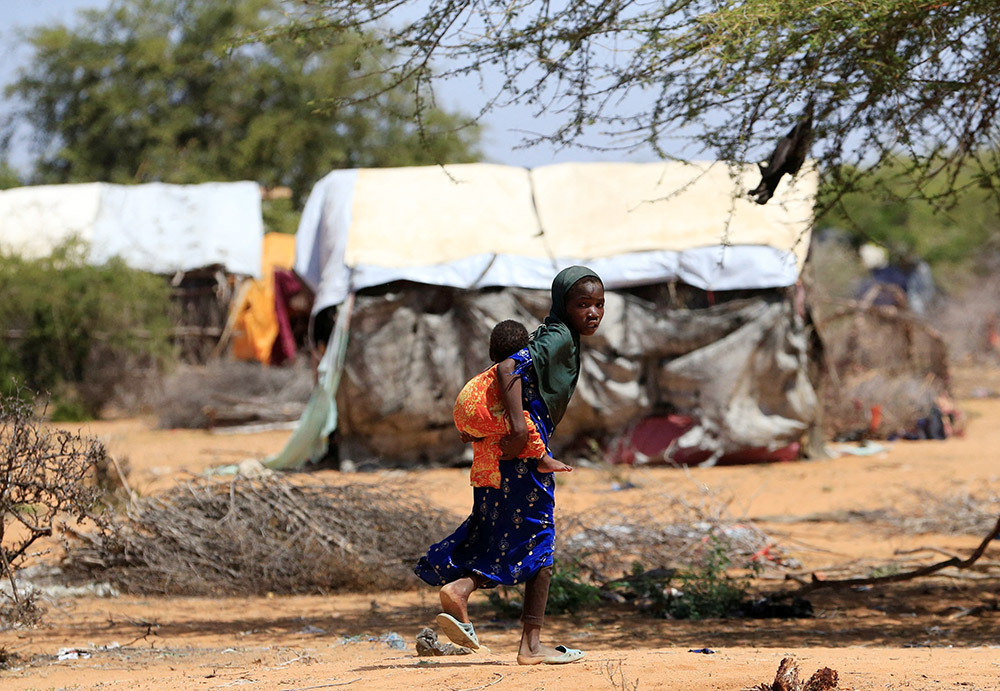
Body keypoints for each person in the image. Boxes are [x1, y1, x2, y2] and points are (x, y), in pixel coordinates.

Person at [414, 266, 606, 665]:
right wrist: (520, 429)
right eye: (582, 304)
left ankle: (461, 590)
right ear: (563, 306)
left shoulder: (555, 333)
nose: (592, 312)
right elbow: (507, 368)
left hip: (499, 460)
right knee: (541, 548)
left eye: (598, 304)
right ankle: (530, 646)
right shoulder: (557, 338)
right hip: (522, 459)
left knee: (500, 538)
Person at [454, 319, 573, 489]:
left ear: (490, 352)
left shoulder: (487, 375)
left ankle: (484, 477)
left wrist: (474, 429)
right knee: (521, 421)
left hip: (466, 419)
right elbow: (519, 428)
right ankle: (543, 458)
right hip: (477, 418)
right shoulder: (509, 371)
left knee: (492, 437)